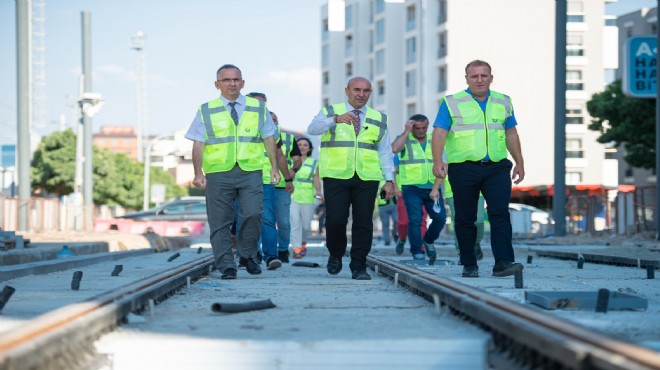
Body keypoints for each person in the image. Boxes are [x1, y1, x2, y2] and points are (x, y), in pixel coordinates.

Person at [431, 59, 525, 278]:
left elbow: (511, 133)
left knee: (500, 213)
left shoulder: (504, 102)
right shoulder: (451, 102)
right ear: (467, 79)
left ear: (491, 77)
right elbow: (439, 133)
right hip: (463, 168)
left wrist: (519, 161)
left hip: (497, 167)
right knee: (465, 218)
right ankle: (469, 263)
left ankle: (503, 262)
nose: (480, 80)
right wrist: (437, 161)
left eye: (484, 75)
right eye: (475, 76)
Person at [186, 64, 280, 280]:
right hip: (218, 172)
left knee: (254, 214)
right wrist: (198, 172)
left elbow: (269, 138)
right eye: (226, 80)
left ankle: (247, 255)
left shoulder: (257, 108)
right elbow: (198, 143)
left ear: (243, 83)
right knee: (220, 221)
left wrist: (274, 168)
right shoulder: (206, 109)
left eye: (236, 79)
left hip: (251, 170)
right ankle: (226, 264)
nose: (232, 83)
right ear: (217, 84)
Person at [307, 76, 395, 280]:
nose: (361, 94)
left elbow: (385, 151)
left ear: (370, 93)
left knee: (364, 222)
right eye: (356, 90)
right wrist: (335, 120)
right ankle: (335, 254)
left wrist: (389, 179)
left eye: (366, 91)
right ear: (347, 91)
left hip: (367, 176)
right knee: (336, 220)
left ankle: (359, 265)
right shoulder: (330, 111)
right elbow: (312, 129)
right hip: (336, 175)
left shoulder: (379, 118)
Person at [246, 92, 301, 267]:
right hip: (245, 179)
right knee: (248, 220)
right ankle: (250, 255)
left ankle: (276, 253)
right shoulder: (239, 124)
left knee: (276, 221)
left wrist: (290, 175)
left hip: (273, 181)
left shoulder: (282, 135)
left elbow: (286, 156)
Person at [391, 114, 446, 265]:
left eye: (424, 128)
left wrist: (436, 188)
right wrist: (406, 131)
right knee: (414, 221)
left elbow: (443, 166)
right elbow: (394, 149)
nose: (421, 131)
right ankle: (417, 251)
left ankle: (428, 241)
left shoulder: (434, 140)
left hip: (432, 188)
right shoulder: (404, 139)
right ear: (411, 126)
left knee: (440, 218)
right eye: (418, 128)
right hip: (411, 188)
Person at [290, 137, 323, 259]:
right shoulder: (290, 161)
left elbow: (316, 178)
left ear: (309, 148)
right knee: (295, 223)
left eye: (305, 145)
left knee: (305, 226)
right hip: (292, 195)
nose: (302, 147)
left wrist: (319, 192)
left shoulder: (314, 163)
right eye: (299, 144)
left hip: (308, 196)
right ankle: (296, 249)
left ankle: (303, 244)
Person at [444, 176, 484, 262]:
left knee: (478, 221)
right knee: (459, 222)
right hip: (453, 190)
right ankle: (462, 253)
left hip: (476, 189)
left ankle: (475, 243)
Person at [376, 181, 397, 246]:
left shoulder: (394, 177)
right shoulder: (378, 178)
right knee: (385, 223)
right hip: (382, 205)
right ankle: (387, 240)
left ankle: (395, 233)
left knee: (397, 221)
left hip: (395, 204)